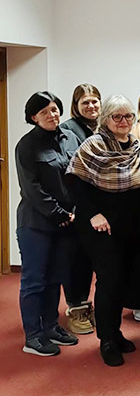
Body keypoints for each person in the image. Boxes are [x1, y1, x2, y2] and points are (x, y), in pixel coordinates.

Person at [66, 95, 140, 367]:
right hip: (101, 225)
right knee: (109, 280)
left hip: (133, 225)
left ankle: (115, 332)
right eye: (117, 117)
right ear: (105, 119)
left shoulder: (137, 146)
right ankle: (106, 340)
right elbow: (74, 181)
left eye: (128, 116)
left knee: (125, 279)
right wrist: (93, 213)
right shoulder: (93, 145)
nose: (123, 122)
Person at [16, 91, 81, 356]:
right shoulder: (27, 145)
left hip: (67, 222)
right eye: (44, 112)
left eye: (54, 109)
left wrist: (76, 212)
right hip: (36, 224)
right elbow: (31, 188)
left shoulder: (70, 138)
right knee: (34, 280)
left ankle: (51, 327)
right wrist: (60, 214)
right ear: (34, 117)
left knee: (56, 278)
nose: (52, 115)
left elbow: (79, 175)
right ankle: (33, 336)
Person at [59, 83, 101, 335]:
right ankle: (76, 308)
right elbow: (72, 172)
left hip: (99, 206)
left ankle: (87, 305)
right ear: (76, 105)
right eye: (85, 102)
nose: (91, 106)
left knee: (92, 260)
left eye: (95, 101)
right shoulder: (68, 130)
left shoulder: (101, 127)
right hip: (79, 206)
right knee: (77, 262)